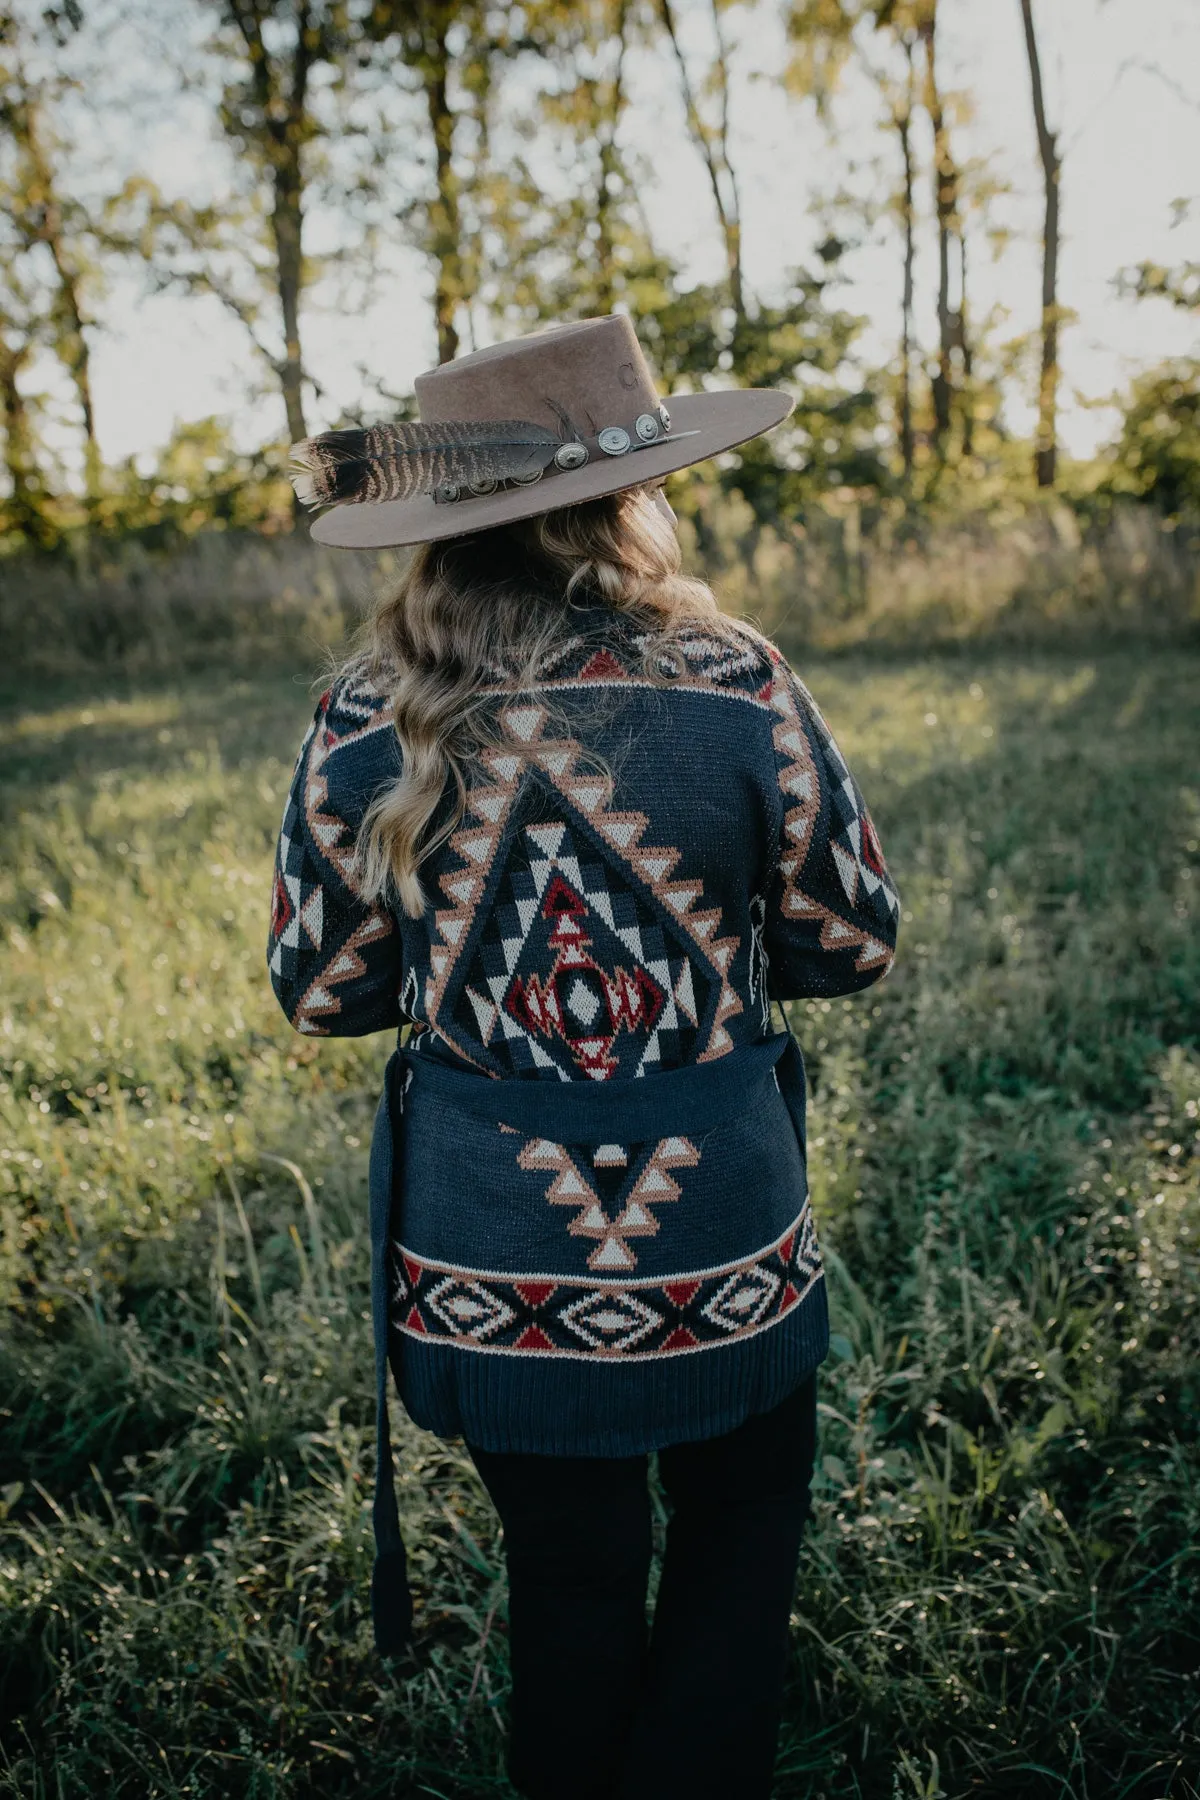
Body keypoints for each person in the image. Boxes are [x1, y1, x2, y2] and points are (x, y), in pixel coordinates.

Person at [267, 314, 900, 1800]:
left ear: (441, 528)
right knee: (739, 1561)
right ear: (630, 496)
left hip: (497, 1262)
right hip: (722, 1233)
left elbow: (324, 988)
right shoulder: (734, 680)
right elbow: (852, 941)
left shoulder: (369, 714)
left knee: (568, 1588)